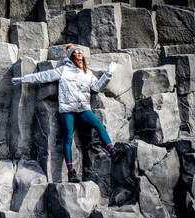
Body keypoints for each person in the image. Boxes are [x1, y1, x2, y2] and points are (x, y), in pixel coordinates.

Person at [11, 43, 128, 183]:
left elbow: (96, 87)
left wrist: (108, 74)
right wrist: (23, 79)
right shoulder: (63, 70)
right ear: (71, 55)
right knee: (67, 139)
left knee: (98, 124)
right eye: (76, 52)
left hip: (83, 108)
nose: (79, 53)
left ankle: (112, 151)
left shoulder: (87, 72)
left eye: (80, 52)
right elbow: (43, 76)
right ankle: (71, 173)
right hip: (67, 110)